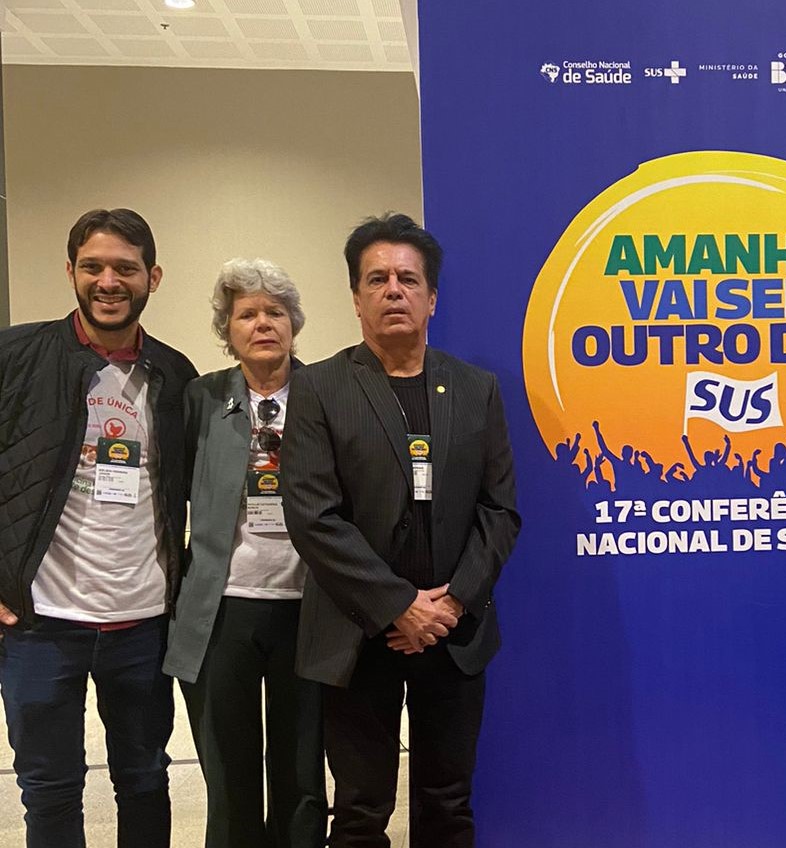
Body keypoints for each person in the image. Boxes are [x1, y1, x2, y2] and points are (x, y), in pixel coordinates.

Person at [282, 213, 520, 847]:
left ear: (431, 298)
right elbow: (312, 513)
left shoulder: (476, 390)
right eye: (378, 278)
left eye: (408, 279)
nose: (394, 290)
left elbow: (500, 510)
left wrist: (448, 603)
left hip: (455, 628)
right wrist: (397, 606)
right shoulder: (319, 388)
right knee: (360, 809)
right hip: (358, 634)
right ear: (356, 296)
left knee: (448, 800)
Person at [0, 208, 196, 847]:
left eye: (125, 268)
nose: (108, 281)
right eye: (93, 267)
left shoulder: (175, 376)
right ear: (70, 273)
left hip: (141, 623)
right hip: (39, 625)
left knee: (144, 780)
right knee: (49, 790)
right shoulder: (16, 357)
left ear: (153, 278)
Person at [162, 258, 327, 846]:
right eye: (247, 314)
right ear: (226, 330)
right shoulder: (200, 398)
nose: (262, 323)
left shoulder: (328, 393)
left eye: (275, 312)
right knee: (229, 774)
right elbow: (168, 493)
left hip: (309, 609)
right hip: (221, 610)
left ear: (294, 324)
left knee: (302, 771)